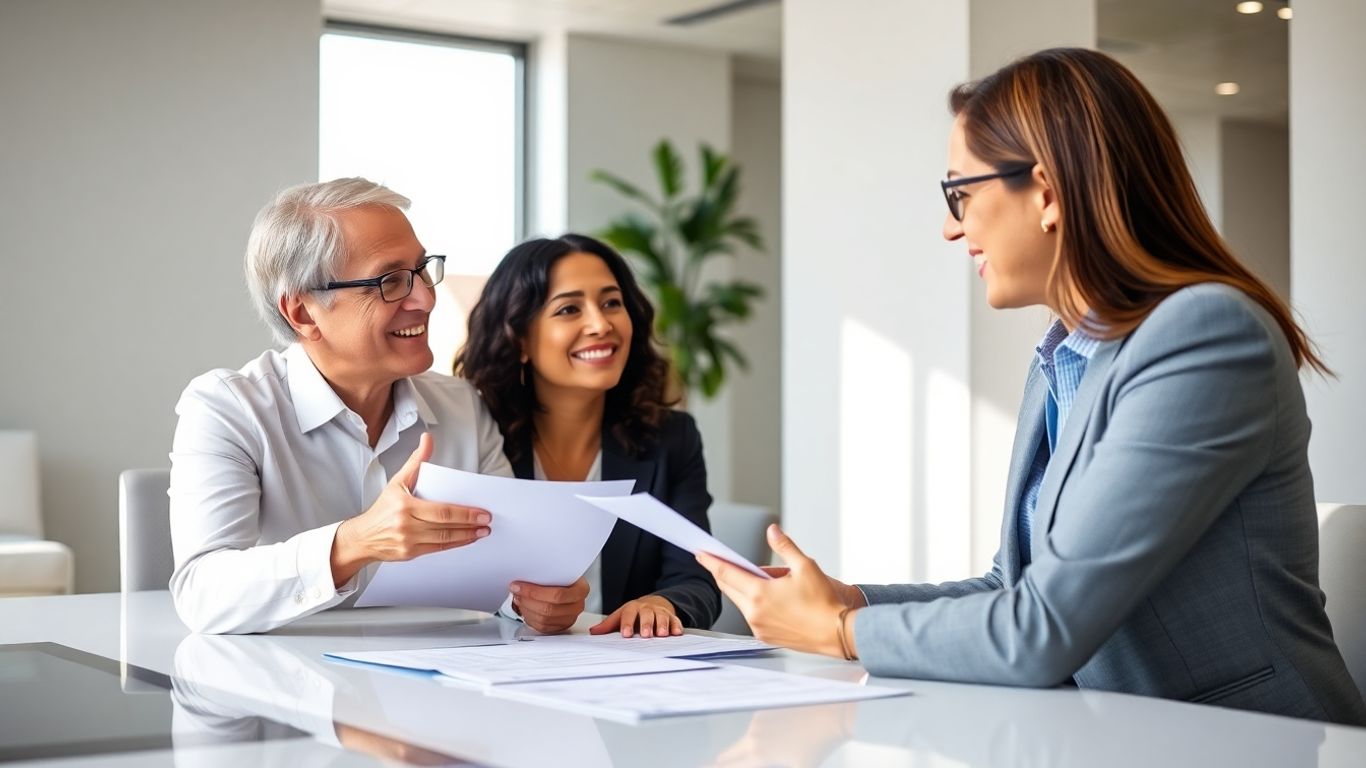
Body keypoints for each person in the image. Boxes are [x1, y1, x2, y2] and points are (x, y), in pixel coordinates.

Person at [697, 48, 1366, 724]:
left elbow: (1039, 630)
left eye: (961, 193)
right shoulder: (1066, 356)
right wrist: (849, 601)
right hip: (1121, 736)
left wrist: (838, 634)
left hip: (1259, 742)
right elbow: (1012, 586)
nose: (951, 225)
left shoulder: (1207, 335)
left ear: (1045, 192)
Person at [169, 178, 587, 635]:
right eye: (390, 281)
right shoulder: (228, 410)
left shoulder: (461, 406)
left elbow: (508, 567)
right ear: (304, 313)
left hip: (433, 685)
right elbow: (201, 592)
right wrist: (353, 543)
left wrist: (535, 599)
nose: (425, 299)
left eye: (422, 270)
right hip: (280, 687)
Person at [455, 234, 721, 637]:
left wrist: (662, 603)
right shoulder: (473, 433)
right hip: (497, 662)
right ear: (519, 338)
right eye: (569, 309)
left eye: (612, 302)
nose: (600, 324)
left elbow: (699, 579)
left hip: (619, 669)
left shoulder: (670, 438)